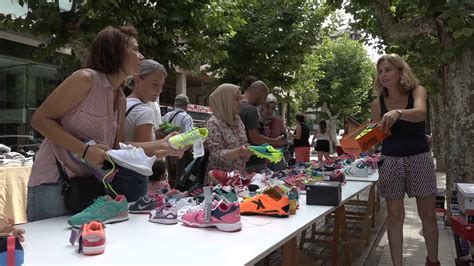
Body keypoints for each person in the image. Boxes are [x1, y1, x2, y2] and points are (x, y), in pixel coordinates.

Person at [27, 26, 184, 222]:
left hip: (87, 187)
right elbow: (40, 119)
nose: (141, 56)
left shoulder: (120, 97)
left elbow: (117, 149)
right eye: (134, 49)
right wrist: (84, 150)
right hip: (53, 184)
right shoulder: (85, 79)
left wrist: (164, 148)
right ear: (115, 51)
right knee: (47, 248)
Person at [370, 54, 439, 266]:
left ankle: (433, 261)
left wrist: (398, 112)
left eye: (388, 70)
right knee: (394, 216)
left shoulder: (417, 91)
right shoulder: (377, 103)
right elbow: (376, 137)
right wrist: (363, 139)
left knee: (427, 214)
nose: (383, 75)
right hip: (390, 160)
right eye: (380, 71)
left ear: (401, 71)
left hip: (419, 158)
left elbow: (420, 113)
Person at [123, 59, 170, 194]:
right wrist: (168, 148)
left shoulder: (123, 103)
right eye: (155, 84)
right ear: (138, 80)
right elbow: (143, 153)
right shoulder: (144, 110)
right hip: (134, 181)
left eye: (161, 86)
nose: (159, 90)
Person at [239, 76, 286, 173]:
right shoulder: (251, 110)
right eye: (264, 98)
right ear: (258, 93)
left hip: (245, 160)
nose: (263, 101)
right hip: (254, 162)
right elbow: (255, 138)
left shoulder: (240, 107)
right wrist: (274, 141)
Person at [206, 84, 253, 176]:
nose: (240, 102)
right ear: (225, 100)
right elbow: (216, 155)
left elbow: (242, 147)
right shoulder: (214, 123)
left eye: (240, 99)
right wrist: (239, 151)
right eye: (236, 99)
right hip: (220, 181)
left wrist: (246, 155)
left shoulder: (237, 120)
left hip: (239, 178)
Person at [162, 94, 194, 187]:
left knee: (170, 177)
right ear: (186, 105)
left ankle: (171, 194)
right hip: (181, 151)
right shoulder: (186, 117)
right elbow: (189, 136)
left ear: (175, 104)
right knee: (181, 177)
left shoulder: (166, 116)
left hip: (167, 150)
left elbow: (160, 131)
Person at [259, 94, 288, 170]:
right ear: (262, 106)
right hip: (260, 160)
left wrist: (283, 138)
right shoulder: (256, 121)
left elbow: (285, 140)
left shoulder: (278, 121)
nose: (270, 110)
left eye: (273, 108)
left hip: (276, 159)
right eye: (267, 107)